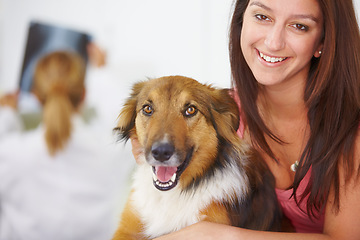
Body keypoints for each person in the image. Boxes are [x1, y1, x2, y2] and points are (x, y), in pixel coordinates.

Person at [130, 0, 360, 239]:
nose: (273, 42)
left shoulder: (351, 126)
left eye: (299, 26)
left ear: (323, 41)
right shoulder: (220, 116)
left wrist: (221, 235)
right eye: (262, 17)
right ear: (241, 21)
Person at [0, 51, 132, 240]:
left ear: (36, 95)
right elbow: (127, 122)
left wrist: (7, 116)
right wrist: (102, 73)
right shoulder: (110, 152)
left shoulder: (11, 155)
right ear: (84, 94)